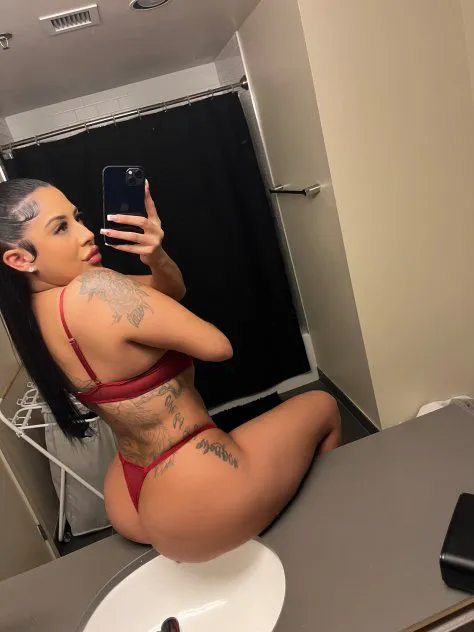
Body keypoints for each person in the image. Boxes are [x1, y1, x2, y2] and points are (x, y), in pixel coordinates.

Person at [0, 178, 341, 562]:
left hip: (130, 492)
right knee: (322, 406)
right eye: (61, 227)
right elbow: (216, 346)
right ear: (19, 259)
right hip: (192, 485)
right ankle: (323, 533)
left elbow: (169, 291)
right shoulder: (97, 287)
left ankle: (245, 518)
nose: (86, 233)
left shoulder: (28, 319)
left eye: (77, 218)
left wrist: (155, 256)